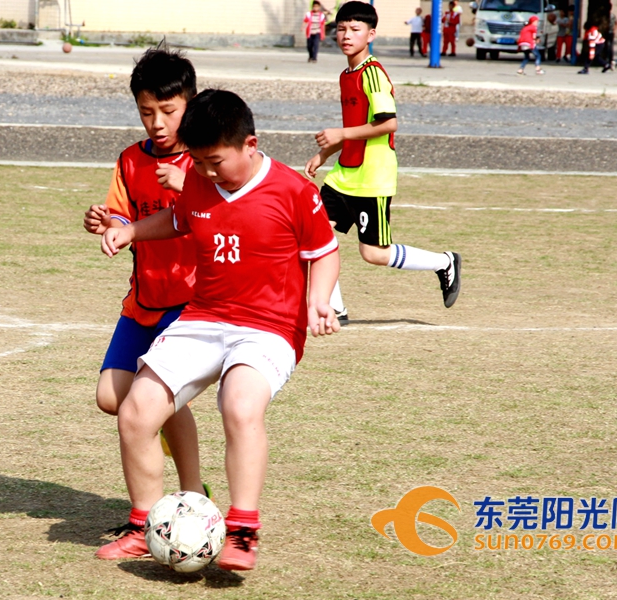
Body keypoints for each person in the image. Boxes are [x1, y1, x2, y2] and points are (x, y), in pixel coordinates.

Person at [98, 89, 341, 571]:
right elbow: (178, 218)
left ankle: (244, 529)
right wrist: (131, 230)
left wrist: (318, 302)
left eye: (214, 162)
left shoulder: (294, 190)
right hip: (204, 316)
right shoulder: (198, 181)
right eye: (198, 162)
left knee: (239, 404)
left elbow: (325, 252)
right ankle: (146, 525)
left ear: (250, 144)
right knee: (135, 411)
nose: (206, 173)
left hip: (269, 325)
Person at [81, 48, 207, 560]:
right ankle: (190, 497)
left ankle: (168, 509)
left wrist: (191, 188)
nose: (157, 123)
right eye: (146, 112)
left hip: (192, 303)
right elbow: (121, 218)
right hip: (144, 301)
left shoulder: (205, 159)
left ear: (190, 104)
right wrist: (106, 227)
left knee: (147, 403)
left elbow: (229, 219)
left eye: (169, 111)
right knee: (112, 397)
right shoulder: (130, 161)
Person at [305, 1, 462, 321]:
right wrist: (326, 152)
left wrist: (338, 135)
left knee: (373, 254)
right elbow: (356, 127)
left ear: (371, 34)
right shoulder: (346, 74)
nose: (346, 35)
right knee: (313, 235)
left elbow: (388, 123)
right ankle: (335, 308)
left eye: (355, 29)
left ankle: (444, 262)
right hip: (343, 174)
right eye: (342, 29)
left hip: (372, 177)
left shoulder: (373, 74)